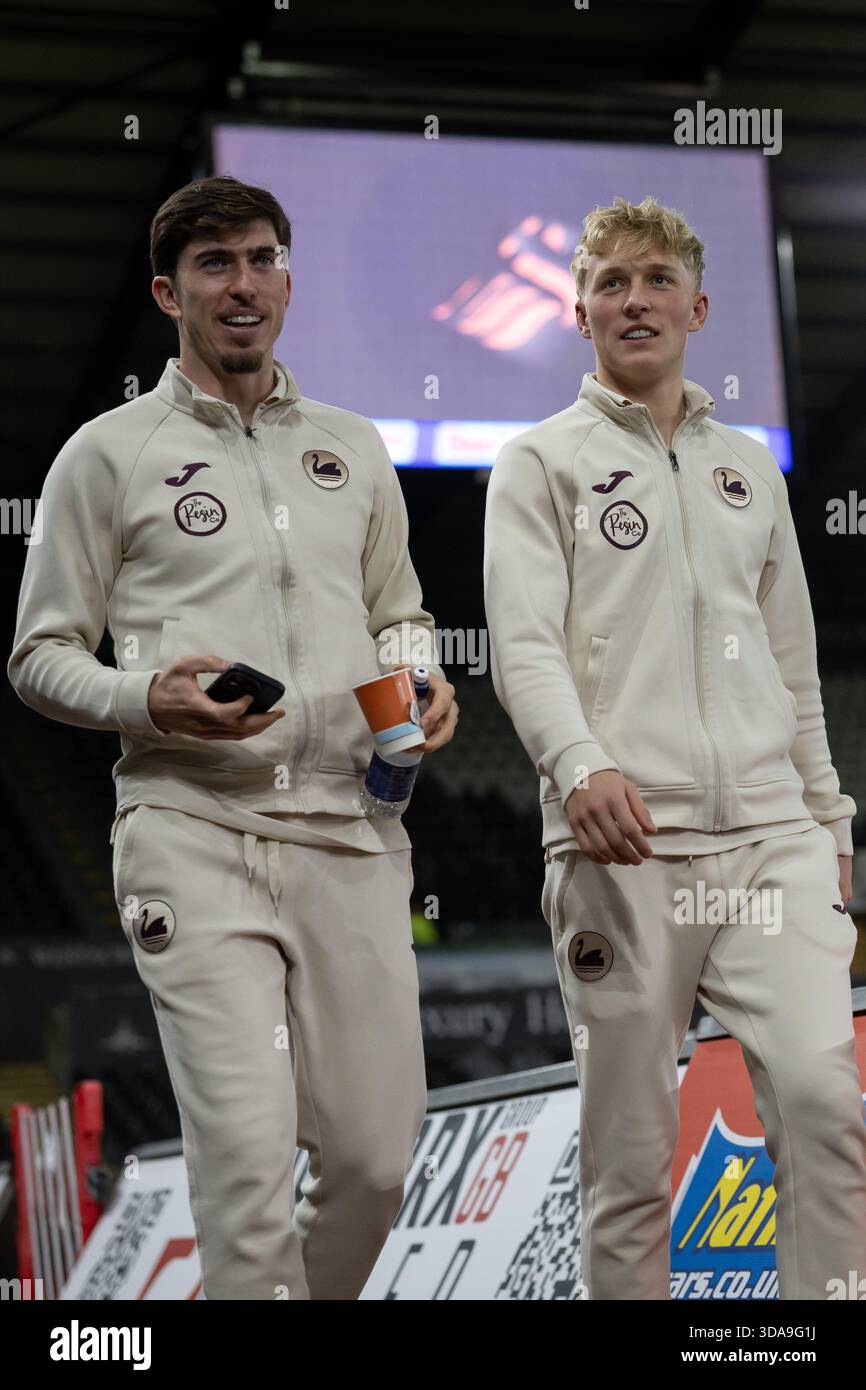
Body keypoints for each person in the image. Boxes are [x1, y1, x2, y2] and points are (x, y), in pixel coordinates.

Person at [7, 174, 458, 1300]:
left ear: (288, 278)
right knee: (247, 1167)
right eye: (214, 265)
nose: (242, 284)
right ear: (169, 292)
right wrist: (143, 695)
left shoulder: (352, 447)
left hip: (353, 835)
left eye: (260, 259)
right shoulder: (106, 454)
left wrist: (417, 671)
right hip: (191, 832)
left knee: (372, 1162)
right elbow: (38, 653)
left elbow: (395, 605)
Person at [483, 194, 866, 1300]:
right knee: (630, 1163)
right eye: (611, 283)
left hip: (768, 841)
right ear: (578, 311)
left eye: (654, 281)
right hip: (623, 843)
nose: (633, 299)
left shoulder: (749, 466)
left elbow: (791, 670)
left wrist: (827, 822)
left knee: (822, 1102)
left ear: (697, 305)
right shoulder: (536, 463)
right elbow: (521, 643)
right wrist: (578, 764)